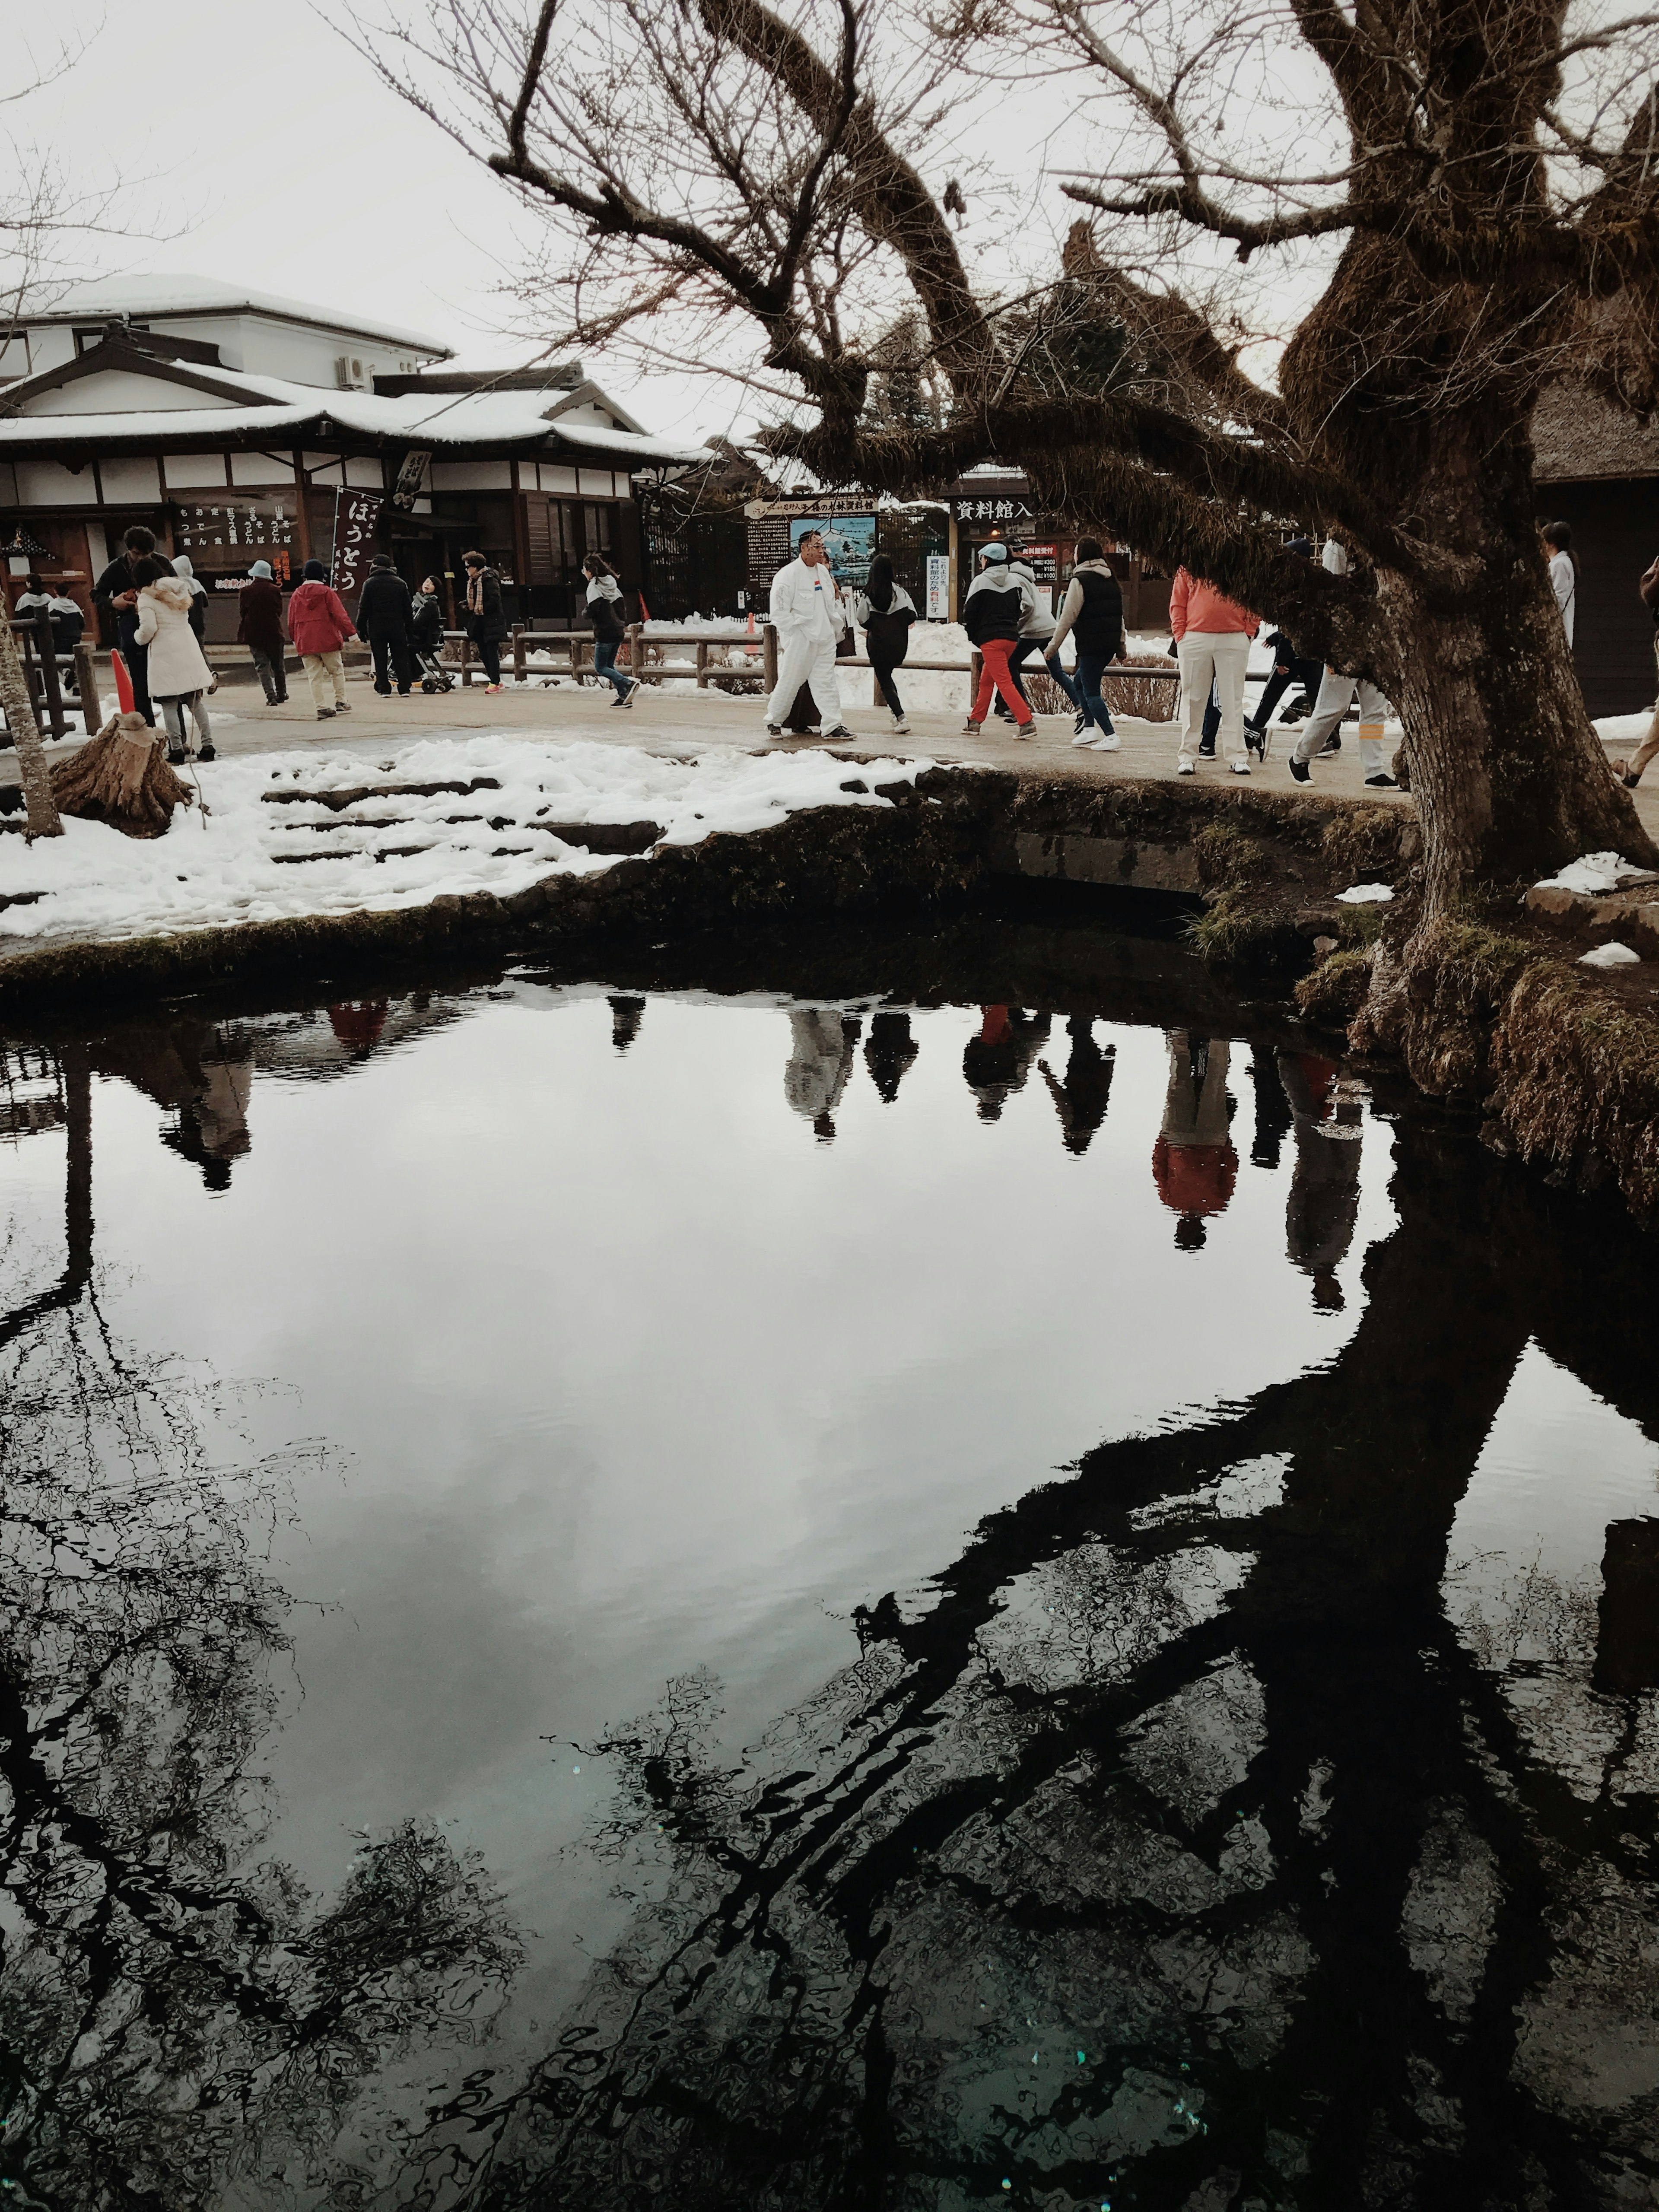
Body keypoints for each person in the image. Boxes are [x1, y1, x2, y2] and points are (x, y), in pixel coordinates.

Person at [1285, 536, 1398, 787]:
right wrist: (1331, 647)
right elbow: (1330, 596)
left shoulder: (1378, 544)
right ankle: (1301, 757)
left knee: (1375, 711)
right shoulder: (1337, 547)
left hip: (1375, 641)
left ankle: (1374, 770)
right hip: (1345, 644)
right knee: (1333, 708)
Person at [1277, 1051, 1364, 1310]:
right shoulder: (1338, 1256)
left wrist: (1300, 1187)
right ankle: (1352, 1068)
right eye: (1338, 1294)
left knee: (1309, 1121)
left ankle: (1289, 1063)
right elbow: (1349, 1221)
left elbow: (1294, 1217)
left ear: (1318, 1292)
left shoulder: (1302, 1256)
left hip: (1315, 1181)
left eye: (1331, 1295)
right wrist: (1355, 1192)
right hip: (1345, 1181)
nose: (1336, 1289)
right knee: (1351, 1120)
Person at [1151, 1030, 1237, 1248]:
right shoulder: (1170, 1200)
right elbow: (1159, 1167)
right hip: (1178, 1140)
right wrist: (1163, 1140)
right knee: (1179, 1081)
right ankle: (1180, 1036)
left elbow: (1230, 1169)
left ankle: (1220, 1038)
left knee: (1215, 1083)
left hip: (1211, 1141)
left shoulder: (1218, 1204)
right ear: (1180, 1226)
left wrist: (1226, 1144)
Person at [1170, 569, 1258, 774]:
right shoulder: (1188, 566)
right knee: (1193, 698)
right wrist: (1180, 634)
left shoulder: (1243, 563)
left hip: (1234, 636)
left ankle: (1237, 755)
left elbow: (1255, 597)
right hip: (1194, 637)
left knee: (1233, 699)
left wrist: (1249, 631)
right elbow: (1178, 601)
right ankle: (1188, 756)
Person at [1241, 537, 1323, 757]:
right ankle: (1329, 739)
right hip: (1314, 654)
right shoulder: (1317, 585)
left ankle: (1253, 735)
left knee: (1271, 696)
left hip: (1291, 657)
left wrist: (1282, 659)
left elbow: (1292, 626)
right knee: (1319, 700)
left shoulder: (1291, 587)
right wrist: (1278, 636)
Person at [765, 530, 851, 739]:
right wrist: (795, 632)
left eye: (822, 547)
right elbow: (779, 612)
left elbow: (831, 604)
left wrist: (835, 628)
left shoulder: (823, 573)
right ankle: (774, 720)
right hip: (801, 639)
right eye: (817, 547)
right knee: (790, 680)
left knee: (826, 682)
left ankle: (832, 725)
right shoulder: (787, 575)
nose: (822, 551)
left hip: (825, 639)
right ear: (804, 549)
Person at [133, 556, 216, 763]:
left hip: (165, 654)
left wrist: (137, 638)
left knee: (169, 705)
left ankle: (177, 750)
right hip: (187, 648)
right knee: (196, 703)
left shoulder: (146, 598)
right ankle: (208, 746)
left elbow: (149, 629)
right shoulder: (179, 590)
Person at [93, 525, 178, 727]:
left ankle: (178, 738)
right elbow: (96, 594)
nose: (142, 559)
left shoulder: (162, 562)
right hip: (131, 628)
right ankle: (148, 732)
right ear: (128, 549)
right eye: (137, 554)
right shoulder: (116, 567)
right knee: (140, 685)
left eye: (146, 555)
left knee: (170, 685)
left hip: (162, 629)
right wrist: (114, 603)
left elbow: (176, 586)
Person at [1049, 539, 1125, 750]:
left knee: (1091, 691)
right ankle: (1089, 728)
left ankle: (1111, 736)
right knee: (1080, 683)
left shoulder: (1080, 580)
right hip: (1107, 644)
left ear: (1081, 555)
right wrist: (1121, 645)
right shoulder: (1111, 579)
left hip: (1091, 644)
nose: (1073, 555)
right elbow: (1120, 618)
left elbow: (1067, 618)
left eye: (1075, 551)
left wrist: (1052, 648)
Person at [962, 544, 1036, 737]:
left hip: (990, 639)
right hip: (1011, 638)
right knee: (987, 681)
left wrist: (975, 636)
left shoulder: (980, 581)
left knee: (1004, 682)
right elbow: (1023, 607)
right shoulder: (1014, 580)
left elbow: (969, 613)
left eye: (982, 558)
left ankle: (1026, 722)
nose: (981, 562)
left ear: (988, 560)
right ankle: (975, 721)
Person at [1004, 549, 1083, 725]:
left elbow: (1027, 606)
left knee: (1010, 665)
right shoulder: (1026, 576)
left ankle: (1020, 709)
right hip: (1048, 628)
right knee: (1058, 672)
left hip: (1033, 631)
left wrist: (1016, 627)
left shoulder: (1014, 578)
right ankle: (1080, 706)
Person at [849, 555, 916, 735]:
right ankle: (896, 715)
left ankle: (902, 718)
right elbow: (912, 615)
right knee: (888, 676)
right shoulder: (900, 592)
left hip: (878, 644)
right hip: (899, 643)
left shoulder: (868, 593)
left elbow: (862, 618)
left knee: (885, 680)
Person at [286, 558, 356, 721]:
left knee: (314, 677)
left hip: (305, 641)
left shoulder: (296, 595)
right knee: (336, 671)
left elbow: (291, 620)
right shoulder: (327, 592)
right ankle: (341, 701)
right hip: (328, 639)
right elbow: (340, 615)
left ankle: (321, 707)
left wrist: (295, 639)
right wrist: (352, 634)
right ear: (321, 576)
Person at [1037, 1017, 1116, 1155]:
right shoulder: (1072, 1122)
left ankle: (1084, 1011)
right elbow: (1060, 1097)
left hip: (1099, 1071)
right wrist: (1047, 1074)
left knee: (1081, 1034)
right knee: (1079, 1032)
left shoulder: (1096, 1121)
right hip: (1080, 1069)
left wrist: (1110, 1061)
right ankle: (1084, 1008)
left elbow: (1105, 1089)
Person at [784, 1009, 859, 1138]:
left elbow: (790, 1080)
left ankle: (799, 998)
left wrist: (805, 1068)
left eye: (828, 1129)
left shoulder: (800, 1105)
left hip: (810, 1056)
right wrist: (847, 1057)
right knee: (830, 1017)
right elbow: (840, 1078)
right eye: (832, 1127)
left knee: (804, 1023)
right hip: (833, 1054)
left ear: (819, 1128)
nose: (831, 1124)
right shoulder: (834, 1102)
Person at [355, 553, 416, 697]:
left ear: (375, 566)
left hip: (377, 627)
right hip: (397, 627)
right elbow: (408, 610)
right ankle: (405, 688)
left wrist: (361, 629)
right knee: (401, 657)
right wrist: (410, 629)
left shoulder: (369, 583)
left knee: (380, 658)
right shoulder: (401, 583)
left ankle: (384, 688)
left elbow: (364, 609)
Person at [583, 553, 639, 706]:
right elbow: (622, 609)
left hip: (605, 631)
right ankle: (624, 696)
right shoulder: (612, 583)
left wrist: (585, 613)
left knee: (601, 667)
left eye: (585, 570)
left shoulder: (594, 587)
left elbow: (594, 608)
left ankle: (627, 684)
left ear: (590, 571)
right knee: (609, 666)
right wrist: (621, 622)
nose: (584, 573)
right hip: (618, 631)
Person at [237, 560, 288, 704]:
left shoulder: (246, 591)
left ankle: (270, 696)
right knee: (278, 665)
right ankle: (282, 693)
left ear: (255, 575)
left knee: (262, 666)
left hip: (254, 634)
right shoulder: (275, 590)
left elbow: (243, 612)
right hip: (274, 632)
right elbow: (279, 611)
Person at [461, 550, 508, 693]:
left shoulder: (489, 579)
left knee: (491, 652)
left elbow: (494, 601)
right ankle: (495, 681)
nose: (467, 570)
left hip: (492, 622)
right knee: (484, 653)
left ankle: (495, 682)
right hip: (480, 623)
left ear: (476, 567)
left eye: (468, 567)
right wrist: (465, 605)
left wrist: (477, 608)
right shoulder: (474, 581)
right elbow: (475, 600)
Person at [864, 1011, 918, 1102]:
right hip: (891, 1024)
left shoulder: (905, 1063)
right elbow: (868, 1045)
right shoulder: (873, 1064)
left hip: (892, 1024)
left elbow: (915, 1048)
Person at [1544, 521, 1578, 651]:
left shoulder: (1560, 564)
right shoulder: (1563, 562)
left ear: (1551, 543)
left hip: (1556, 633)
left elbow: (1558, 600)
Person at [46, 588, 84, 693]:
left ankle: (66, 672)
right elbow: (82, 623)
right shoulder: (75, 606)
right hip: (75, 637)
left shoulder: (53, 606)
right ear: (68, 592)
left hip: (59, 637)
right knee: (74, 660)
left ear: (55, 592)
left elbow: (48, 624)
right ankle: (77, 687)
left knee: (58, 659)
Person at [172, 554, 209, 643]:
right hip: (199, 625)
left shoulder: (174, 584)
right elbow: (206, 603)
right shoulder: (197, 584)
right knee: (200, 653)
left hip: (181, 627)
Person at [411, 576, 445, 661]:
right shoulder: (420, 601)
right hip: (424, 637)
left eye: (432, 584)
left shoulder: (430, 604)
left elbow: (418, 623)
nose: (428, 584)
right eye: (427, 582)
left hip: (422, 638)